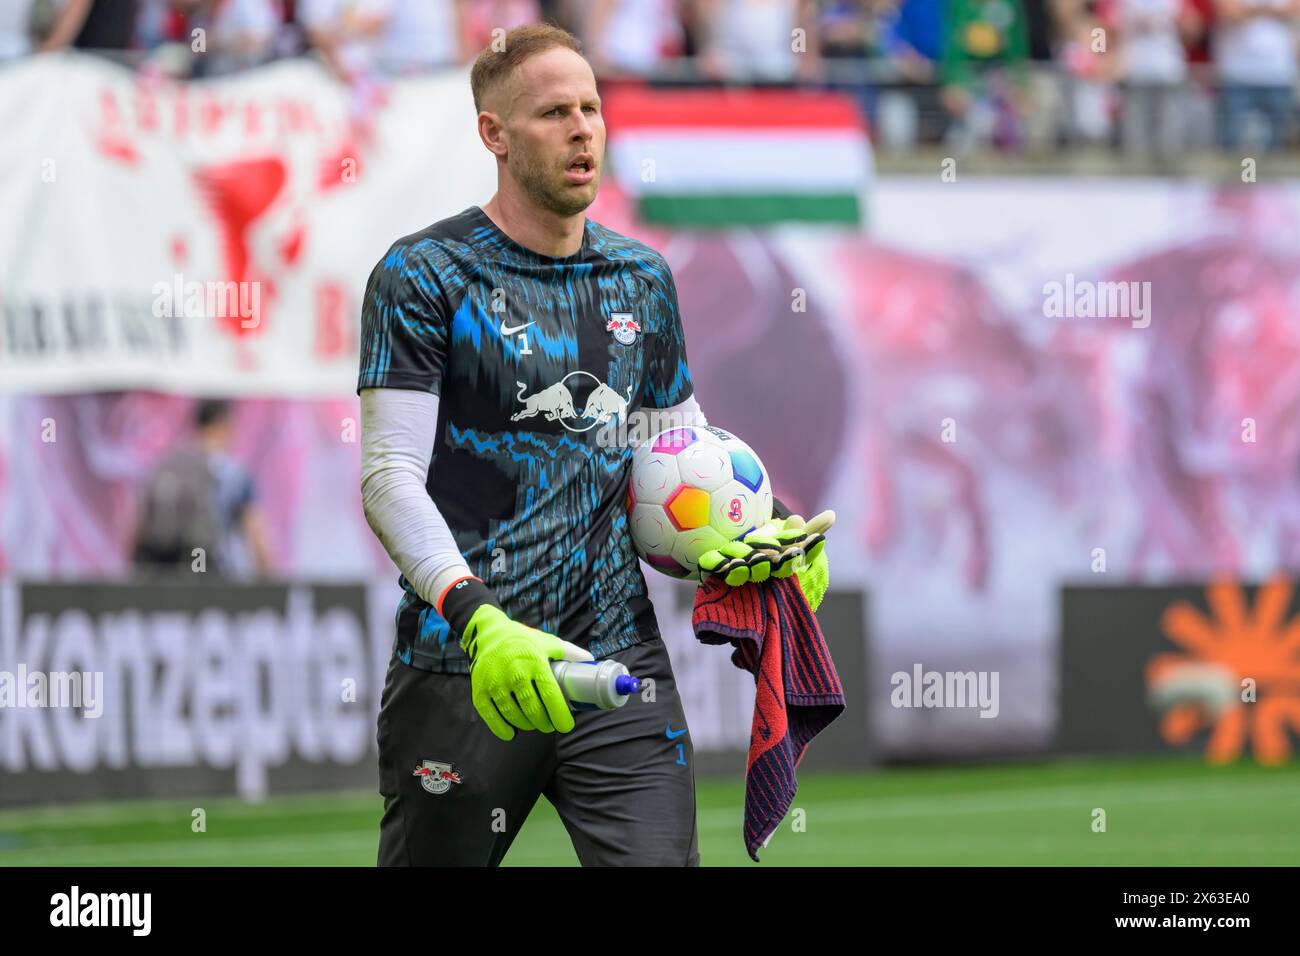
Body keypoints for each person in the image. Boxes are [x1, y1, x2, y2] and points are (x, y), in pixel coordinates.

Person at [357, 22, 830, 867]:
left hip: (620, 668)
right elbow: (390, 479)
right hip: (468, 670)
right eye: (552, 113)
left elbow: (677, 448)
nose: (582, 129)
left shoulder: (641, 277)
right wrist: (479, 621)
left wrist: (768, 527)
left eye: (591, 108)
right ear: (493, 135)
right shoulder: (422, 274)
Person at [133, 399, 275, 579]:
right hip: (209, 575)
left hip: (164, 579)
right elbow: (257, 538)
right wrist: (271, 586)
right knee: (199, 578)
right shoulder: (232, 473)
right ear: (223, 425)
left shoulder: (164, 465)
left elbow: (139, 530)